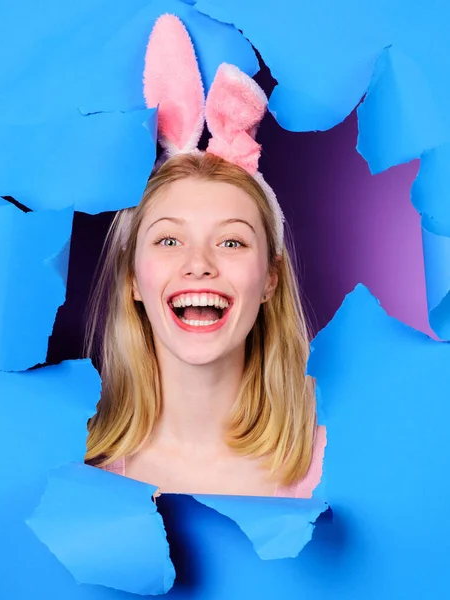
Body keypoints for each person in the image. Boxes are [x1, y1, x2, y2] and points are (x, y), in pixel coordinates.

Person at [84, 14, 325, 497]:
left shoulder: (334, 460)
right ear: (133, 276)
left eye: (231, 241)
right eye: (169, 240)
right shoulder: (78, 465)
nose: (200, 264)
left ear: (270, 280)